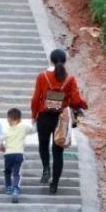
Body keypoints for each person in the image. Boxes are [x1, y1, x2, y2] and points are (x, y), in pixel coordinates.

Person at [30, 49, 87, 194]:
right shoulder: (70, 79)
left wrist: (33, 115)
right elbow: (75, 100)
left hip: (44, 117)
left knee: (43, 145)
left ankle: (46, 169)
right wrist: (82, 105)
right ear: (65, 61)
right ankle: (54, 185)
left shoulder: (42, 76)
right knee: (58, 152)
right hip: (61, 119)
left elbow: (36, 98)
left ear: (51, 60)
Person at [0, 108, 30, 203]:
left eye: (8, 118)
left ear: (9, 118)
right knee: (16, 173)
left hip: (8, 154)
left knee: (7, 171)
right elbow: (33, 130)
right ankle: (15, 188)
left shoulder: (6, 130)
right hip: (19, 154)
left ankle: (8, 187)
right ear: (19, 118)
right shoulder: (24, 127)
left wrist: (2, 146)